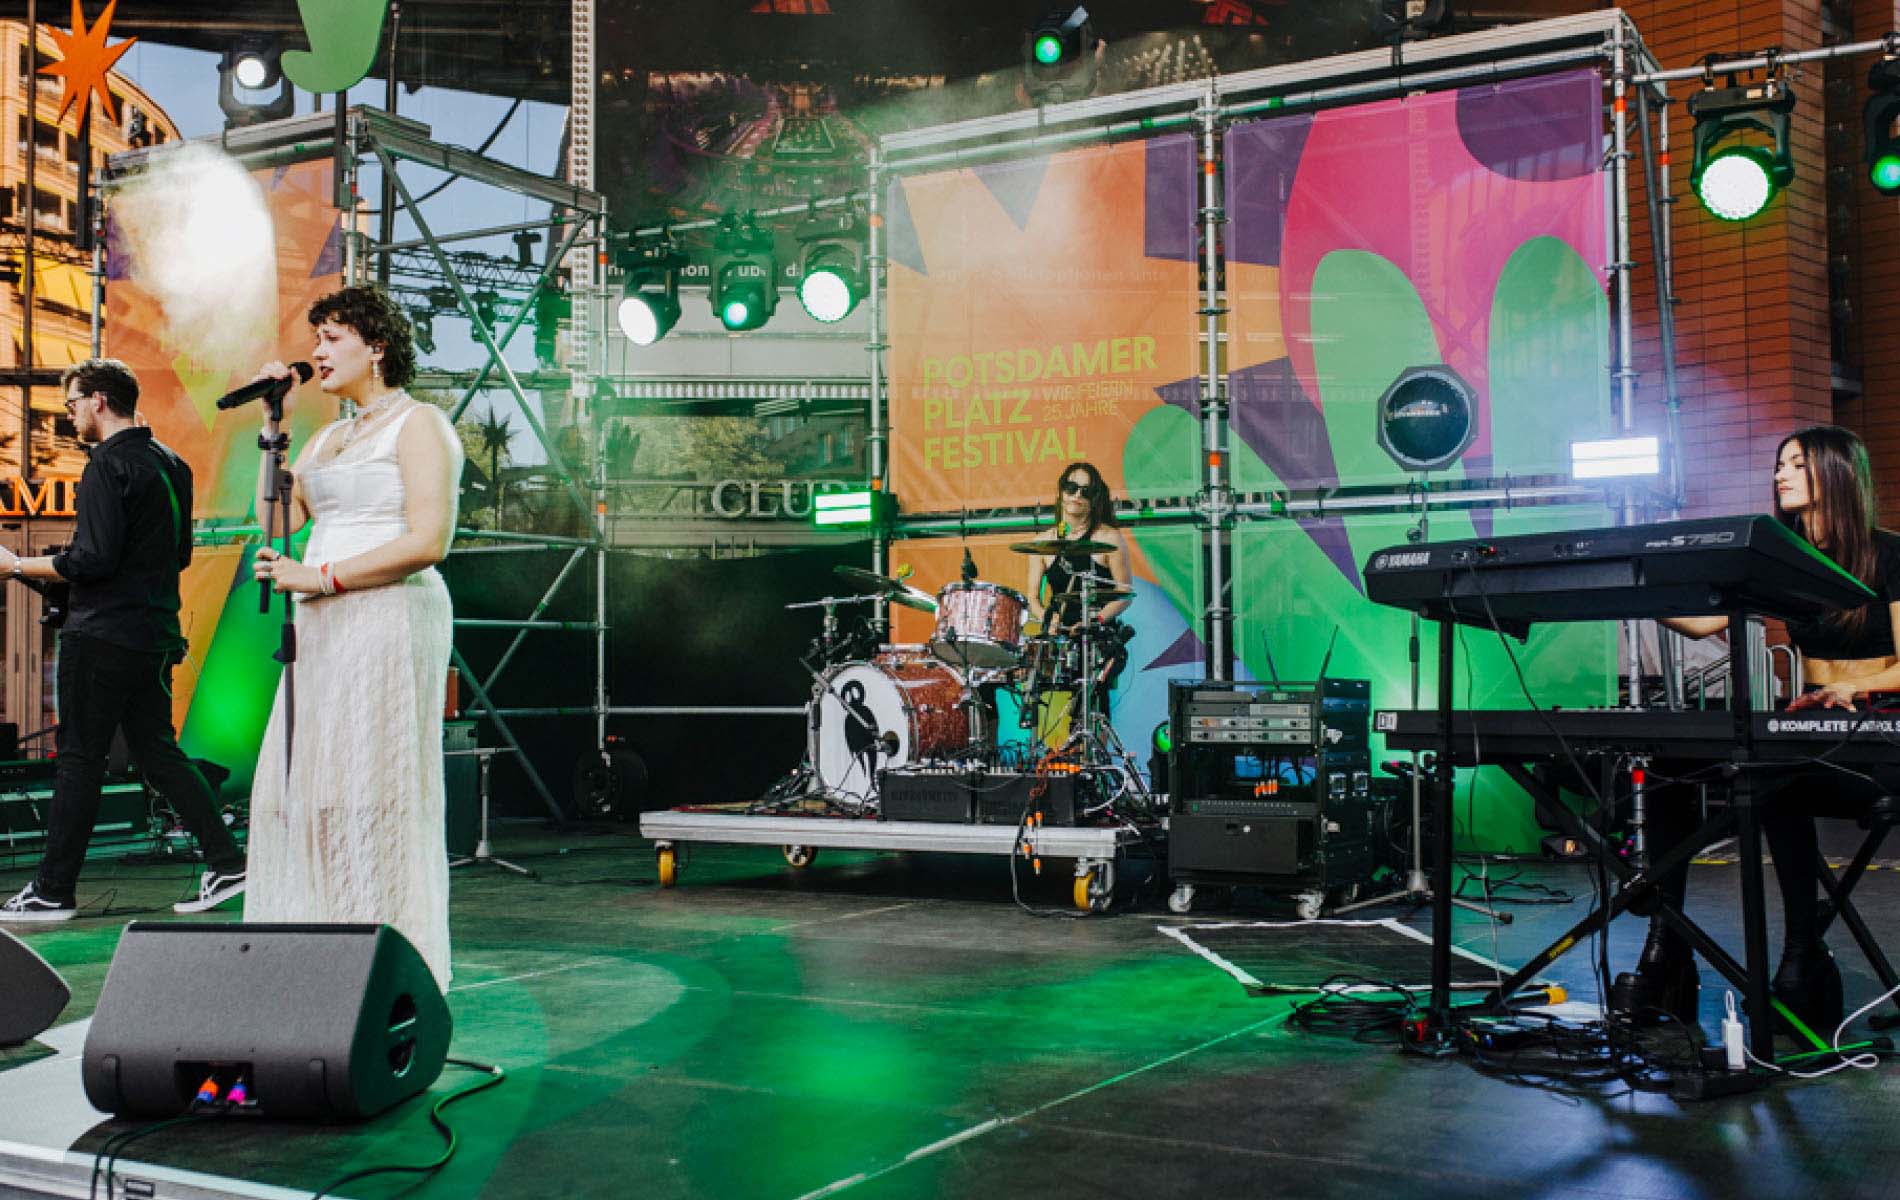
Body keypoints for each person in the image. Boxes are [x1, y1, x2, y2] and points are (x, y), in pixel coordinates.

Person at [1619, 425, 1900, 1033]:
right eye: (1780, 465)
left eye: (1796, 464)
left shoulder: (1890, 554)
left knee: (1773, 773)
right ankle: (1670, 948)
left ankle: (1802, 955)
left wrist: (1856, 687)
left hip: (1880, 733)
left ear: (1837, 474)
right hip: (1809, 725)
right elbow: (1702, 625)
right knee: (1671, 769)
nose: (1780, 475)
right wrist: (1629, 582)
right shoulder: (1786, 561)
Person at [244, 284, 462, 990]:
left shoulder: (421, 424)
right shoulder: (327, 436)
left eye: (332, 337)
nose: (316, 352)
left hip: (387, 609)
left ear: (376, 345)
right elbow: (278, 521)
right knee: (305, 785)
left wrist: (323, 577)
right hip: (324, 615)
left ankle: (382, 951)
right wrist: (270, 430)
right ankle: (315, 938)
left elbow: (430, 540)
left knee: (372, 782)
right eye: (316, 339)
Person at [0, 359, 247, 920]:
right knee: (158, 753)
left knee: (81, 761)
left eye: (71, 403)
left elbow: (92, 559)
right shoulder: (172, 465)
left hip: (102, 637)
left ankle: (52, 890)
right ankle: (227, 863)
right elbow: (180, 555)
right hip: (154, 634)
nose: (68, 415)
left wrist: (17, 565)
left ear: (100, 402)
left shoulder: (106, 466)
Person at [1025, 461, 1134, 716]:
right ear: (1061, 490)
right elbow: (1032, 597)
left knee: (1089, 699)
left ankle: (1089, 748)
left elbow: (1125, 594)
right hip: (1059, 633)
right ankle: (1041, 752)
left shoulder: (1108, 538)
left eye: (1085, 491)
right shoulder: (1042, 542)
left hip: (1095, 634)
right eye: (1072, 488)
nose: (1077, 496)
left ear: (1094, 498)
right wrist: (1048, 621)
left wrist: (1093, 620)